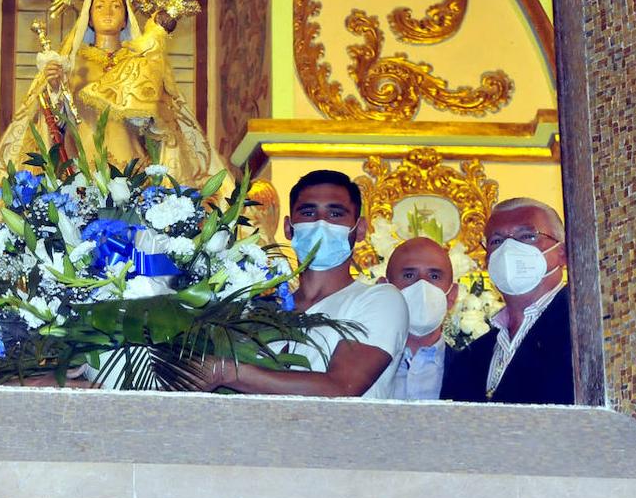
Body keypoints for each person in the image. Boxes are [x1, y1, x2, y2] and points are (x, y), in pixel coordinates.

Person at [0, 0, 228, 248]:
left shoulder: (143, 60)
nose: (108, 11)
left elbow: (166, 119)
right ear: (88, 17)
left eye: (116, 5)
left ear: (127, 15)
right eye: (100, 5)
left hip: (134, 164)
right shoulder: (73, 62)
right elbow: (51, 123)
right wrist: (54, 88)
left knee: (136, 232)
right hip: (81, 165)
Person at [198, 170, 409, 398]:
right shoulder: (259, 310)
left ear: (359, 229)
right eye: (308, 213)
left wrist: (225, 372)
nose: (321, 223)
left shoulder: (380, 300)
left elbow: (341, 387)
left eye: (335, 214)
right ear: (289, 228)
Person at [440, 198, 573, 404]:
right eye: (497, 241)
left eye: (527, 236)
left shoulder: (582, 332)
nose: (509, 249)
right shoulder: (470, 357)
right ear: (487, 262)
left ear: (562, 254)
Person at [384, 237, 458, 400]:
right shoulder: (359, 368)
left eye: (434, 277)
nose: (422, 286)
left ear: (452, 296)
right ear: (384, 290)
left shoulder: (473, 369)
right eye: (409, 275)